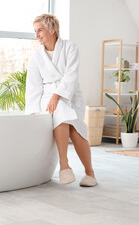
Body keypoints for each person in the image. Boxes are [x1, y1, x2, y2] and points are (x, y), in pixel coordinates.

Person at [25, 14, 97, 187]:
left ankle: (76, 169)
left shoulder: (70, 48)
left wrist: (57, 96)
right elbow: (33, 85)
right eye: (35, 31)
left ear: (52, 29)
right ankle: (73, 168)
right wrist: (34, 110)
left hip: (70, 95)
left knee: (75, 129)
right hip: (47, 97)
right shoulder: (36, 57)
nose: (37, 35)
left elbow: (71, 75)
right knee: (63, 114)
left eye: (40, 30)